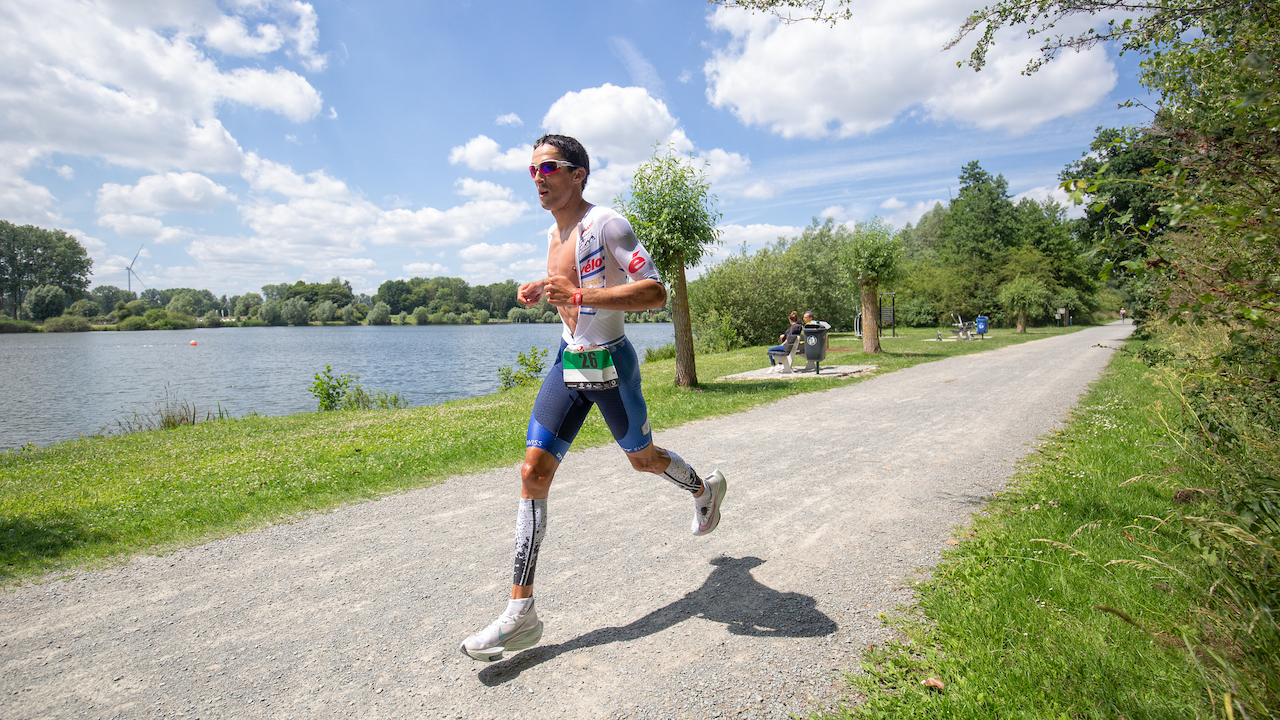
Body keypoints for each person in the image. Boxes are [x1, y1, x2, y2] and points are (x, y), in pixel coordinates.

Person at [459, 134, 728, 663]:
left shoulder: (608, 223)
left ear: (578, 173)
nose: (538, 178)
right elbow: (574, 290)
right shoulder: (557, 233)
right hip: (569, 360)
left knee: (643, 461)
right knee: (533, 471)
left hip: (610, 362)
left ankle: (704, 487)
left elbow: (653, 292)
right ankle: (521, 615)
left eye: (549, 168)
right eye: (531, 170)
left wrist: (579, 295)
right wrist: (547, 286)